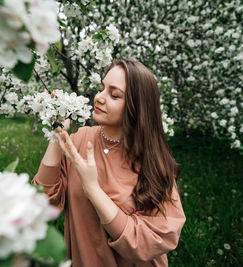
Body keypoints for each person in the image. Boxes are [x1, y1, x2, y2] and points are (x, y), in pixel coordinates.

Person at [32, 59, 186, 266]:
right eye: (101, 88)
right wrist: (57, 135)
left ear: (136, 106)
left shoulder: (152, 161)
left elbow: (151, 241)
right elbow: (41, 203)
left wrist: (92, 188)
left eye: (114, 95)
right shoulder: (81, 138)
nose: (99, 98)